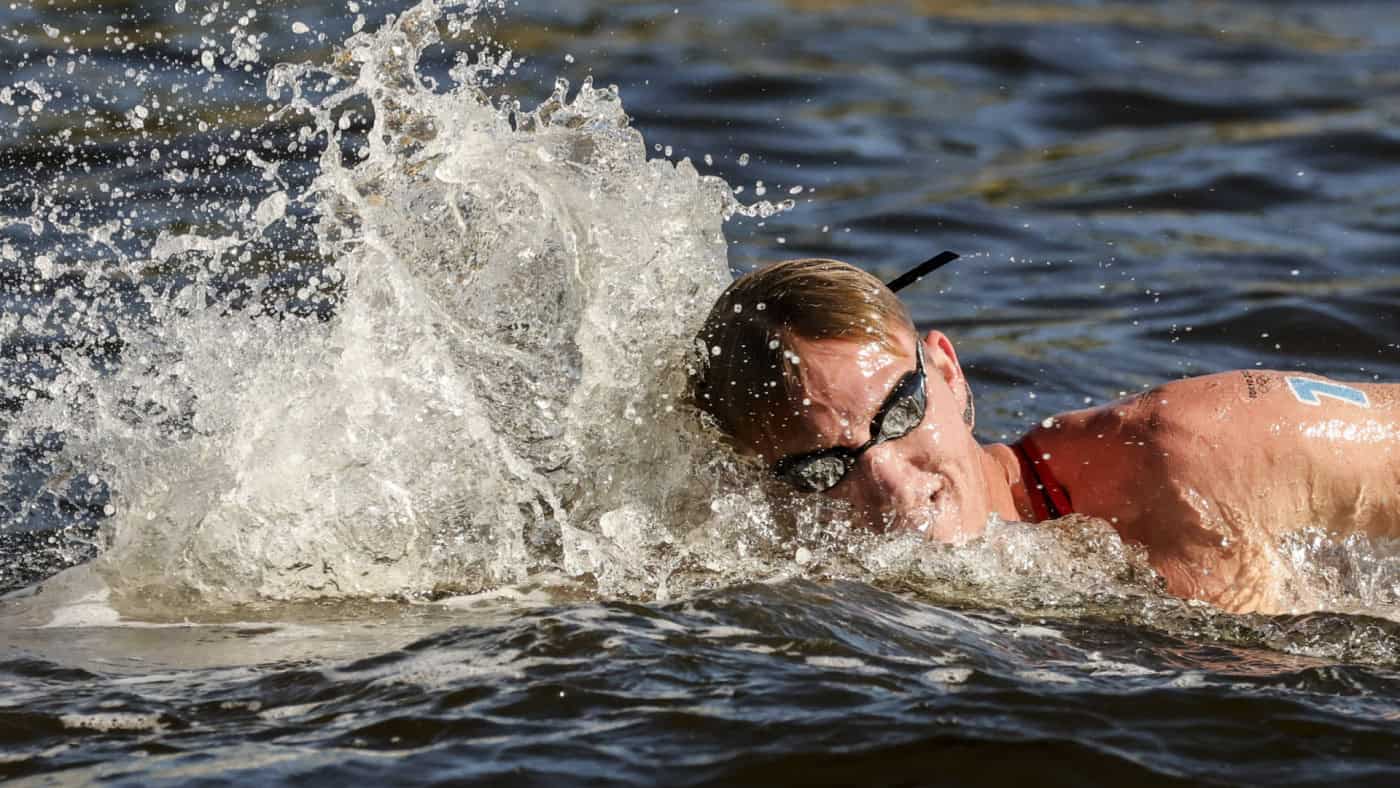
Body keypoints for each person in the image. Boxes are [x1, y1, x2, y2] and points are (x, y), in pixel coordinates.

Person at [689, 254, 1400, 613]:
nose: (896, 487)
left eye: (901, 416)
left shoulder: (1196, 451)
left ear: (949, 372)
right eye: (822, 469)